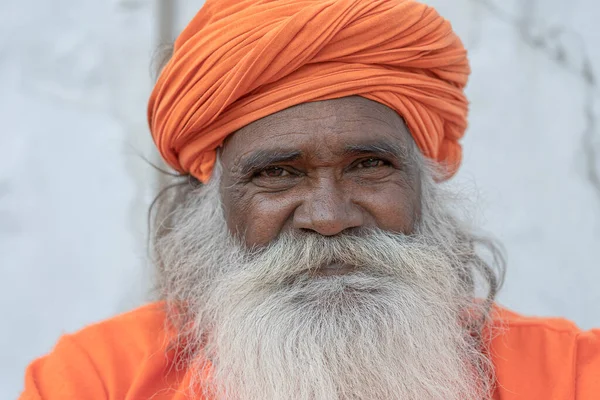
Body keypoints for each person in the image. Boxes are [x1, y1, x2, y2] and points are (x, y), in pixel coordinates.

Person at [19, 0, 600, 399]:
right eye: (277, 174)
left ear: (428, 183)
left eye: (370, 166)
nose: (328, 217)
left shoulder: (570, 376)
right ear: (209, 205)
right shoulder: (95, 380)